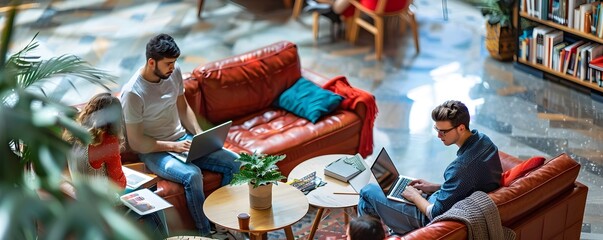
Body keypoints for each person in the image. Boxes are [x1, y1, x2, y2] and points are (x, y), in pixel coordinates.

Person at [120, 33, 240, 237]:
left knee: (235, 161)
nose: (173, 67)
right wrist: (171, 146)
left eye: (174, 62)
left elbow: (183, 109)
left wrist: (200, 134)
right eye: (168, 63)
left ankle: (223, 220)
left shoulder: (172, 74)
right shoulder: (133, 93)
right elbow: (137, 142)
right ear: (151, 62)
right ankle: (205, 233)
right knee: (192, 175)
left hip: (183, 140)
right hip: (154, 151)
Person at [357, 100, 502, 234]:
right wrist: (435, 187)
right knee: (393, 187)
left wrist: (414, 196)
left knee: (367, 192)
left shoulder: (461, 167)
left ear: (461, 128)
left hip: (428, 216)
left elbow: (434, 214)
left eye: (443, 131)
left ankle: (369, 234)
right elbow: (467, 184)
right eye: (436, 129)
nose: (438, 135)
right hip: (444, 199)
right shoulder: (483, 141)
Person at [65, 92, 168, 237]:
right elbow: (120, 185)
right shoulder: (107, 141)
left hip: (83, 198)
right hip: (104, 207)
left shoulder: (75, 133)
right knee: (154, 206)